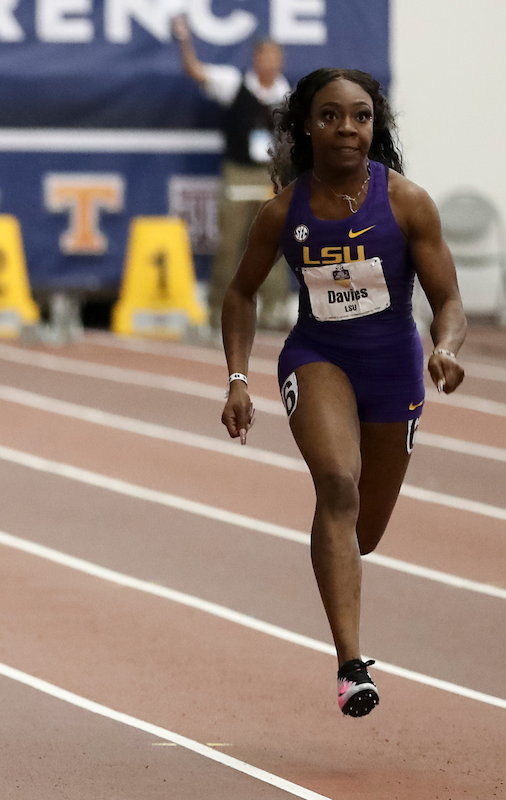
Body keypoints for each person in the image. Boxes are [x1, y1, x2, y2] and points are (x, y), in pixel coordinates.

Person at [220, 69, 466, 717]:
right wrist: (238, 376)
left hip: (394, 369)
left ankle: (334, 565)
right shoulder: (284, 210)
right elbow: (240, 293)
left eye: (359, 116)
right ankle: (351, 666)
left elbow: (449, 302)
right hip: (318, 355)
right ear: (306, 125)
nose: (346, 128)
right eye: (330, 116)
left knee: (364, 533)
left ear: (374, 125)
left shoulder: (408, 202)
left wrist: (445, 348)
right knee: (336, 482)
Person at [173, 16, 292, 328]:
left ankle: (273, 310)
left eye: (276, 57)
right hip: (238, 174)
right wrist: (185, 40)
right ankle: (218, 311)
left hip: (270, 177)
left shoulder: (288, 95)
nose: (271, 63)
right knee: (228, 245)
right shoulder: (233, 84)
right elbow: (195, 70)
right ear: (256, 59)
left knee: (276, 245)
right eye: (265, 57)